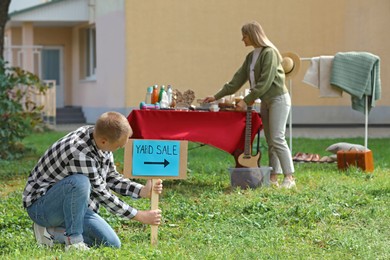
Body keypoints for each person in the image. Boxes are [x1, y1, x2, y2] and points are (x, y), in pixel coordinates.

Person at [22, 111, 163, 251]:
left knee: (111, 244)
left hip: (72, 206)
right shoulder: (79, 153)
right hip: (41, 207)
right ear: (104, 141)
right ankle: (74, 241)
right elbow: (102, 194)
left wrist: (141, 191)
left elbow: (111, 177)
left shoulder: (99, 138)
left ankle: (52, 233)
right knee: (79, 182)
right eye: (119, 146)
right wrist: (139, 215)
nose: (119, 149)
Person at [204, 21, 295, 189]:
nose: (242, 39)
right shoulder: (251, 57)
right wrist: (216, 96)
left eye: (244, 35)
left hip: (278, 99)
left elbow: (265, 81)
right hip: (266, 101)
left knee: (277, 138)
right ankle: (274, 176)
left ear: (253, 35)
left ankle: (289, 177)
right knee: (270, 140)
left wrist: (247, 100)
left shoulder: (270, 54)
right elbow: (237, 80)